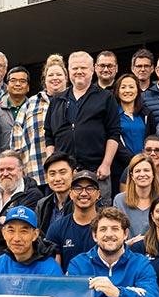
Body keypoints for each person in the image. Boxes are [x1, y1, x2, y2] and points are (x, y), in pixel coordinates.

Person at [45, 51, 121, 197]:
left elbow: (114, 133)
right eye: (74, 68)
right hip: (65, 175)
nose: (79, 71)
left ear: (92, 70)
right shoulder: (57, 100)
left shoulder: (105, 97)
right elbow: (49, 135)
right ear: (69, 71)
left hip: (96, 171)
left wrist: (106, 164)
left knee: (98, 215)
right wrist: (52, 162)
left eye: (83, 68)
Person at [13, 55, 66, 186]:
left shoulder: (73, 101)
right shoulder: (30, 104)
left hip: (67, 174)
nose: (55, 78)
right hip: (37, 173)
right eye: (50, 75)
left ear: (66, 78)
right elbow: (16, 139)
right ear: (44, 79)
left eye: (59, 74)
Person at [45, 170, 101, 268]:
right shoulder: (57, 228)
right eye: (78, 188)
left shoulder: (107, 227)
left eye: (90, 188)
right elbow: (54, 273)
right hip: (68, 282)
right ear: (70, 194)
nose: (84, 193)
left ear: (98, 194)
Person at [0, 206, 63, 275]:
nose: (16, 238)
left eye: (23, 231)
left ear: (35, 234)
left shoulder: (50, 269)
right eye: (11, 230)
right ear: (4, 233)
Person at [112, 73, 155, 185]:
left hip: (145, 168)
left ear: (137, 90)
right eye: (123, 87)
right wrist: (134, 161)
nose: (127, 90)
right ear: (117, 91)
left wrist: (144, 161)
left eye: (131, 87)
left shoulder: (146, 113)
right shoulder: (112, 115)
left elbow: (152, 138)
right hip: (121, 168)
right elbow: (113, 140)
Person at [114, 153, 159, 239]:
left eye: (146, 170)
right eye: (138, 171)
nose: (142, 174)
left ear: (153, 174)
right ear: (132, 176)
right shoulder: (120, 200)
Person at [35, 152, 74, 233]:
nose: (57, 179)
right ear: (46, 177)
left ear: (74, 174)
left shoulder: (82, 202)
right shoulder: (42, 205)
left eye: (62, 172)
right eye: (52, 174)